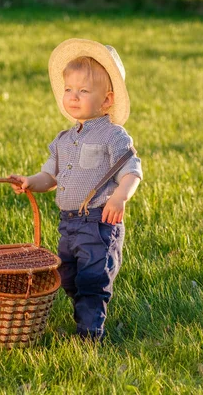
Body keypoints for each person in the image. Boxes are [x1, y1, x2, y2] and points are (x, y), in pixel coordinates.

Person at [9, 38, 143, 341]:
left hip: (98, 223)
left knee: (92, 279)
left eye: (83, 91)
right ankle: (82, 306)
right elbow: (49, 176)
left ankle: (89, 334)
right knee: (67, 276)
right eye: (69, 89)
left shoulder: (113, 135)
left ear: (106, 100)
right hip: (68, 224)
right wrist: (31, 182)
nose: (73, 96)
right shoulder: (64, 140)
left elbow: (132, 170)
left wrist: (120, 197)